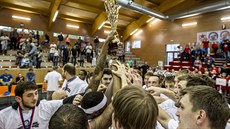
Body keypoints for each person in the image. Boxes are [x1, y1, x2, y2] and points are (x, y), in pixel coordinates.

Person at [0, 81, 78, 129]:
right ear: (18, 99)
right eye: (29, 95)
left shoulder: (45, 106)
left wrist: (77, 98)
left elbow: (65, 101)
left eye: (36, 93)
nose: (35, 98)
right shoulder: (3, 115)